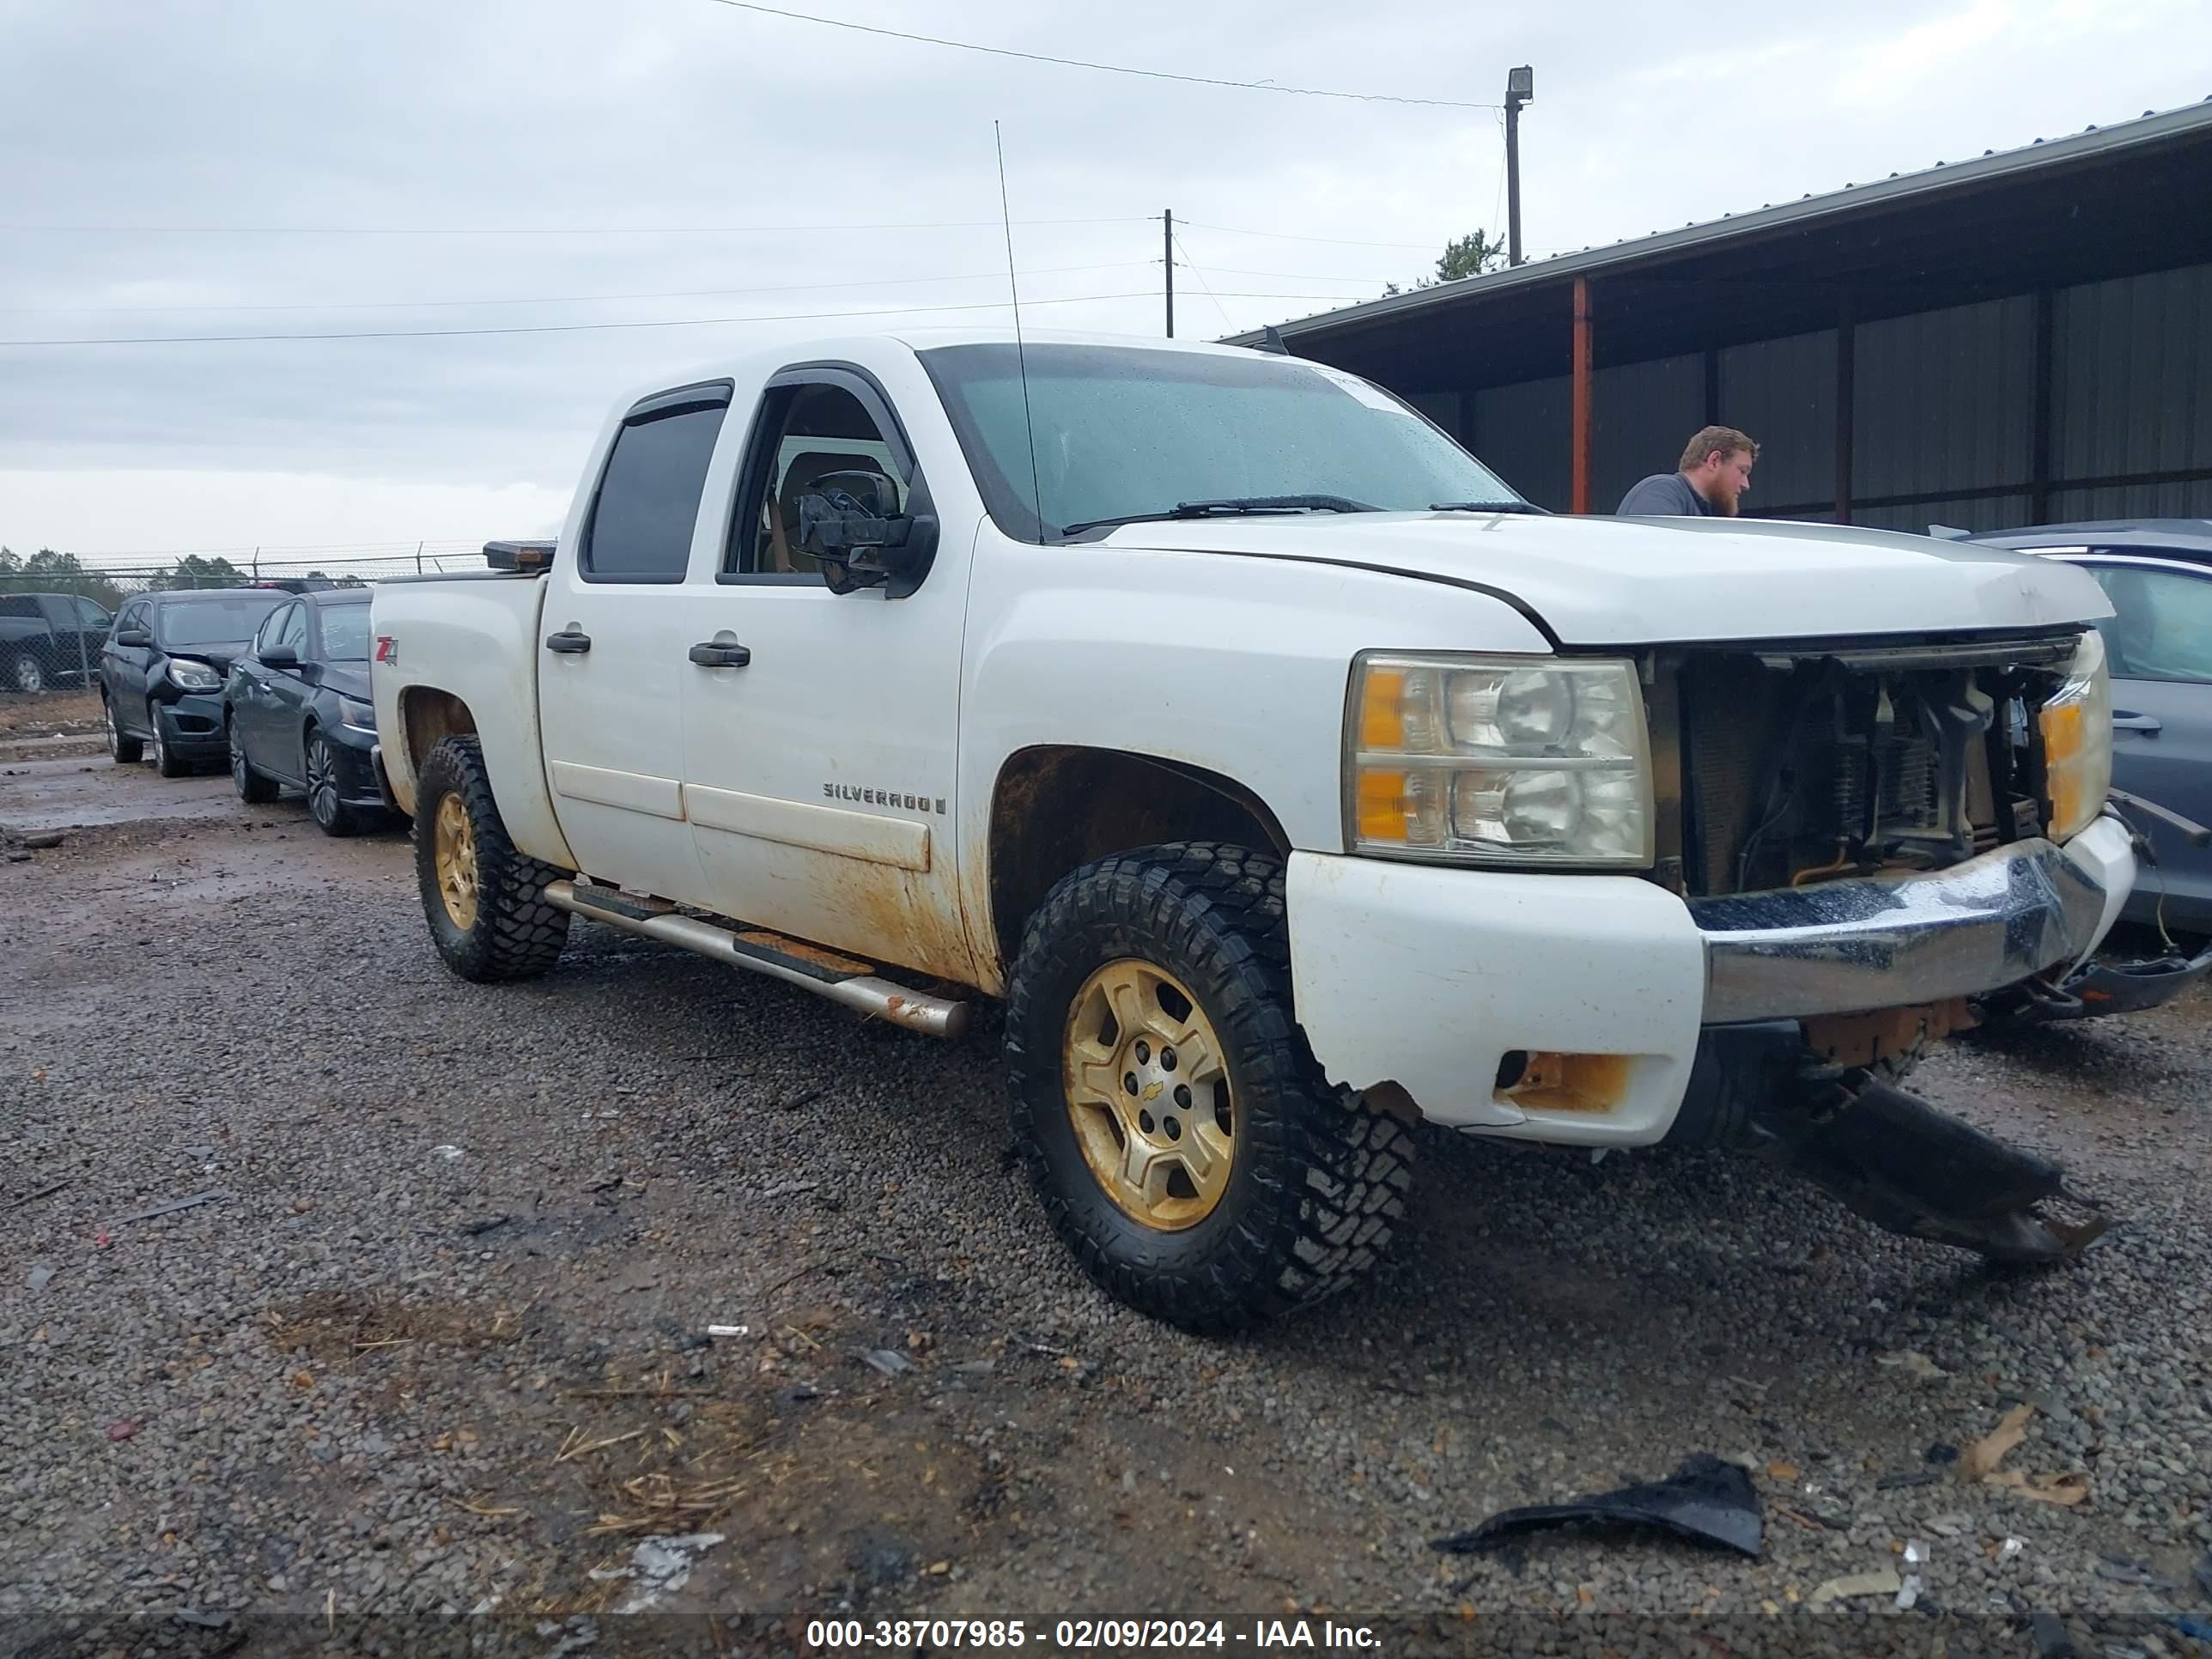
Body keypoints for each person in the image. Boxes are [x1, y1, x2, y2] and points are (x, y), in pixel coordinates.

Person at [1617, 426, 1759, 516]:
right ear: (1714, 461)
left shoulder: (1705, 513)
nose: (1746, 485)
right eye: (1742, 471)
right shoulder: (1661, 490)